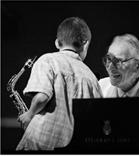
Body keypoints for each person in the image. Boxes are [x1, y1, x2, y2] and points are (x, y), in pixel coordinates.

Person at [16, 17, 102, 150]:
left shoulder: (48, 60)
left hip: (41, 143)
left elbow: (42, 97)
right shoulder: (91, 78)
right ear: (85, 44)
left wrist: (29, 114)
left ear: (57, 43)